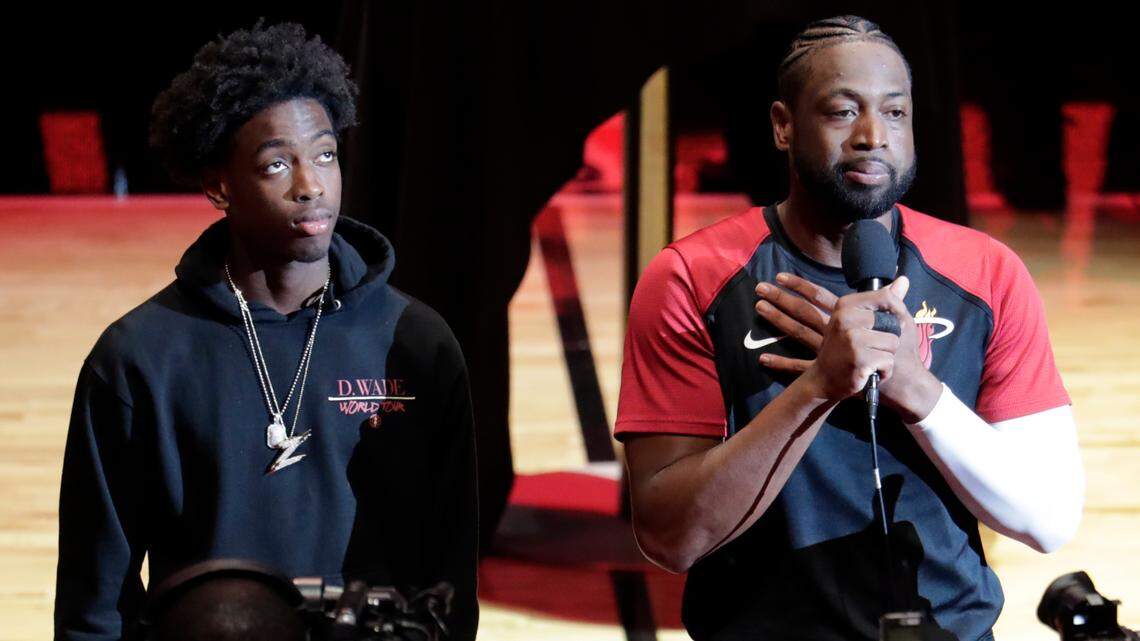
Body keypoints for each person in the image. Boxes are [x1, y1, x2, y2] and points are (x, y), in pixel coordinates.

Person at [616, 15, 1084, 641]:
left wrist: (915, 388)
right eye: (842, 112)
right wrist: (818, 388)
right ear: (783, 125)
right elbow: (670, 538)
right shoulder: (693, 278)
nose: (873, 136)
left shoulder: (985, 274)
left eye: (895, 113)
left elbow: (1047, 520)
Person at [54, 22, 477, 641]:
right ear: (218, 185)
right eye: (277, 164)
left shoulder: (414, 343)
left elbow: (450, 571)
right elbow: (95, 599)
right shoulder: (139, 359)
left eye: (325, 155)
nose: (311, 186)